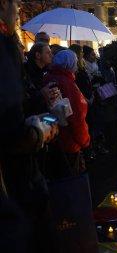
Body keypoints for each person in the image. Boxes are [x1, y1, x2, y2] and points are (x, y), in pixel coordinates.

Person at [1, 0, 58, 251]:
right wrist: (38, 132)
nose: (18, 12)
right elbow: (10, 128)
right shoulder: (5, 47)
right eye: (17, 5)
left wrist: (38, 98)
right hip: (14, 181)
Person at [44, 50, 91, 177]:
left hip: (52, 137)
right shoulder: (67, 84)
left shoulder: (47, 77)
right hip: (69, 140)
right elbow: (76, 117)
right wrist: (84, 140)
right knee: (73, 182)